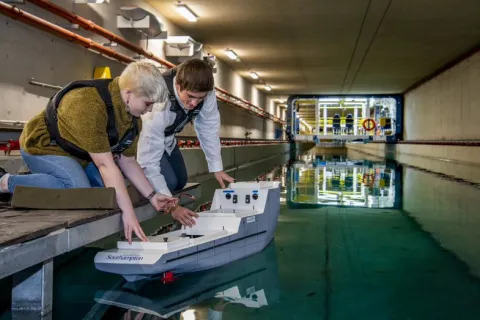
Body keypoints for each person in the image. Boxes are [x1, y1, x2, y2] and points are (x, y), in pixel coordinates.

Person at [0, 61, 197, 243]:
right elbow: (105, 164)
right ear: (128, 94)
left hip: (80, 155)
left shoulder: (131, 117)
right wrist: (128, 213)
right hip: (45, 146)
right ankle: (6, 182)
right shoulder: (88, 105)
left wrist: (153, 196)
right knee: (78, 191)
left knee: (107, 193)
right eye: (148, 103)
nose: (150, 109)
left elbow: (127, 161)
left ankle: (49, 178)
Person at [137, 58, 234, 223]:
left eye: (200, 99)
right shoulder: (159, 102)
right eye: (190, 97)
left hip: (168, 139)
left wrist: (217, 168)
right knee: (169, 181)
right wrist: (172, 207)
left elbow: (208, 128)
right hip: (143, 141)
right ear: (178, 86)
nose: (194, 103)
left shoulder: (207, 93)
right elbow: (149, 160)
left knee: (180, 181)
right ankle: (133, 180)